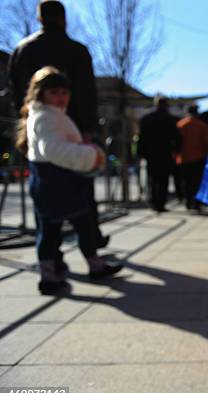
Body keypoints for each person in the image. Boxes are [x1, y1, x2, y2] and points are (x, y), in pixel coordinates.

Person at [8, 0, 108, 248]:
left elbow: (14, 91)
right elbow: (86, 92)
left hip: (33, 130)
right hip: (73, 132)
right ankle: (89, 246)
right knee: (82, 196)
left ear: (40, 18)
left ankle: (52, 258)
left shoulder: (22, 49)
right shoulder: (76, 50)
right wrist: (88, 131)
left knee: (45, 201)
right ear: (63, 19)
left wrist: (23, 125)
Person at [15, 67, 122, 295]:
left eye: (64, 92)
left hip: (60, 180)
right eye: (54, 92)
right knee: (55, 230)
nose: (61, 97)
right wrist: (91, 154)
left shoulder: (52, 115)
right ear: (41, 93)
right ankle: (50, 276)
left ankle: (89, 265)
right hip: (55, 180)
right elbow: (53, 149)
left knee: (74, 225)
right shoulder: (45, 117)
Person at [137, 96, 180, 212]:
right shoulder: (171, 119)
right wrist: (176, 150)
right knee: (163, 180)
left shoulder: (147, 119)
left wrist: (140, 153)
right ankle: (160, 202)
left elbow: (141, 138)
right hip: (165, 153)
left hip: (151, 154)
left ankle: (154, 201)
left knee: (152, 178)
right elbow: (177, 138)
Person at [177, 105, 208, 211]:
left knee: (186, 182)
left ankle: (188, 202)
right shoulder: (201, 125)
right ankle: (196, 203)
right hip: (198, 158)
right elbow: (206, 142)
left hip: (183, 158)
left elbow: (176, 143)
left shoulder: (181, 125)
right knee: (196, 182)